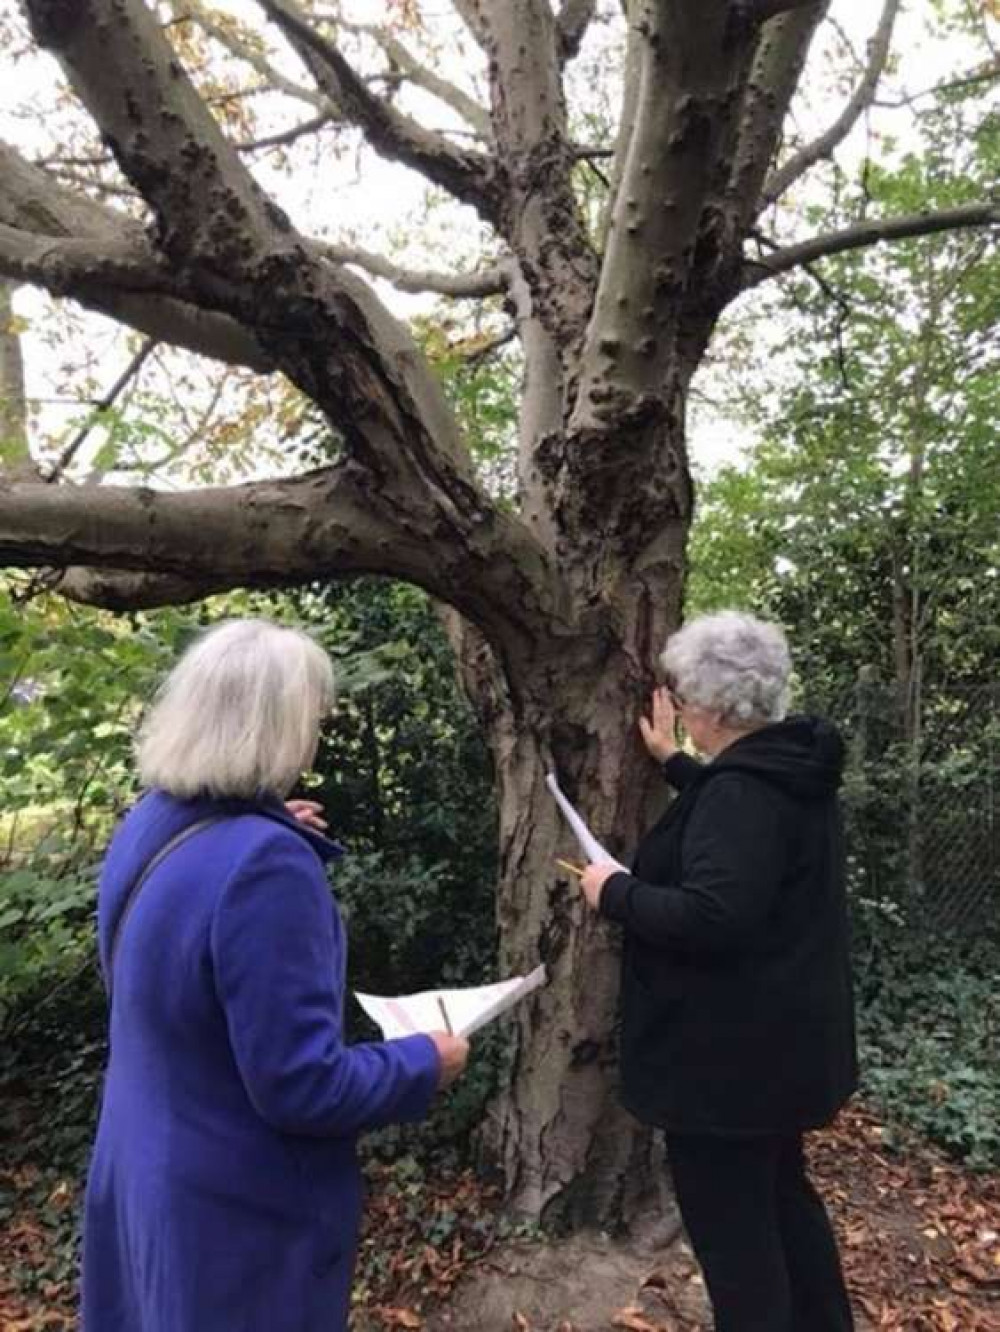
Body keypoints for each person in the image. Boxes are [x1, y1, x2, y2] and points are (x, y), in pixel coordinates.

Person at [81, 619, 469, 1332]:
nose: (315, 740)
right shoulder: (269, 867)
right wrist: (424, 1062)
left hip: (140, 1169)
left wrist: (263, 820)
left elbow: (164, 967)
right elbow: (301, 1086)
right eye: (312, 722)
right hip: (232, 1217)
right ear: (280, 729)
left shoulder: (151, 821)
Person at [579, 610, 857, 1332]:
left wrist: (614, 892)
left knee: (740, 1248)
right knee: (785, 1205)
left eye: (689, 696)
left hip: (726, 1075)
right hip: (780, 1054)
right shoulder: (787, 771)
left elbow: (714, 916)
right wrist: (677, 764)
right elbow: (745, 843)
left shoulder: (744, 792)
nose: (684, 707)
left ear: (719, 706)